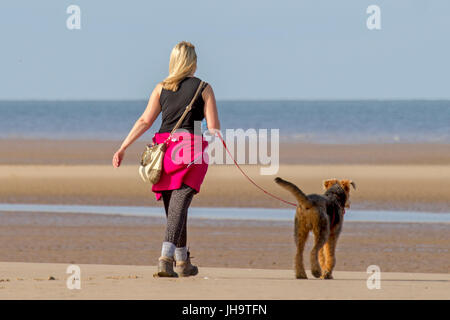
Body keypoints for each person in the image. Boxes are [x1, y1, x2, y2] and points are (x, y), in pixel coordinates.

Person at [112, 41, 220, 277]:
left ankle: (183, 262)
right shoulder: (204, 87)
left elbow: (144, 121)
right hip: (191, 151)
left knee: (175, 209)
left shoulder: (160, 88)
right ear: (192, 61)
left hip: (165, 151)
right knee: (178, 208)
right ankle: (165, 258)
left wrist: (123, 147)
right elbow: (212, 127)